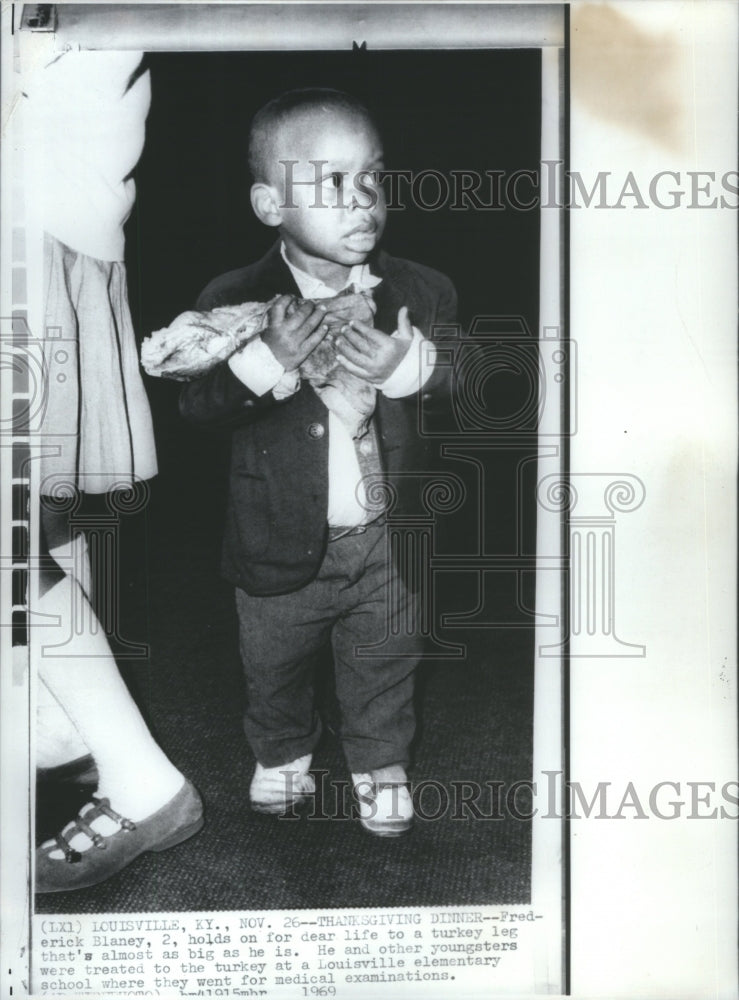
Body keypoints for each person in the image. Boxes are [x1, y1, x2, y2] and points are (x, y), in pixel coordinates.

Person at [179, 88, 456, 836]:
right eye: (330, 183)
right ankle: (280, 750)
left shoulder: (422, 291)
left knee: (385, 660)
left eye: (372, 177)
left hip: (385, 541)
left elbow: (472, 375)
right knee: (273, 667)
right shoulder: (232, 299)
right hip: (274, 538)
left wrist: (408, 369)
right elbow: (195, 410)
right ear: (270, 204)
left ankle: (379, 760)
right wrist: (263, 363)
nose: (360, 200)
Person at [26, 49, 203, 892]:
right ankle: (59, 727)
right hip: (49, 220)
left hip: (32, 221)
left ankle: (139, 777)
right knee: (36, 506)